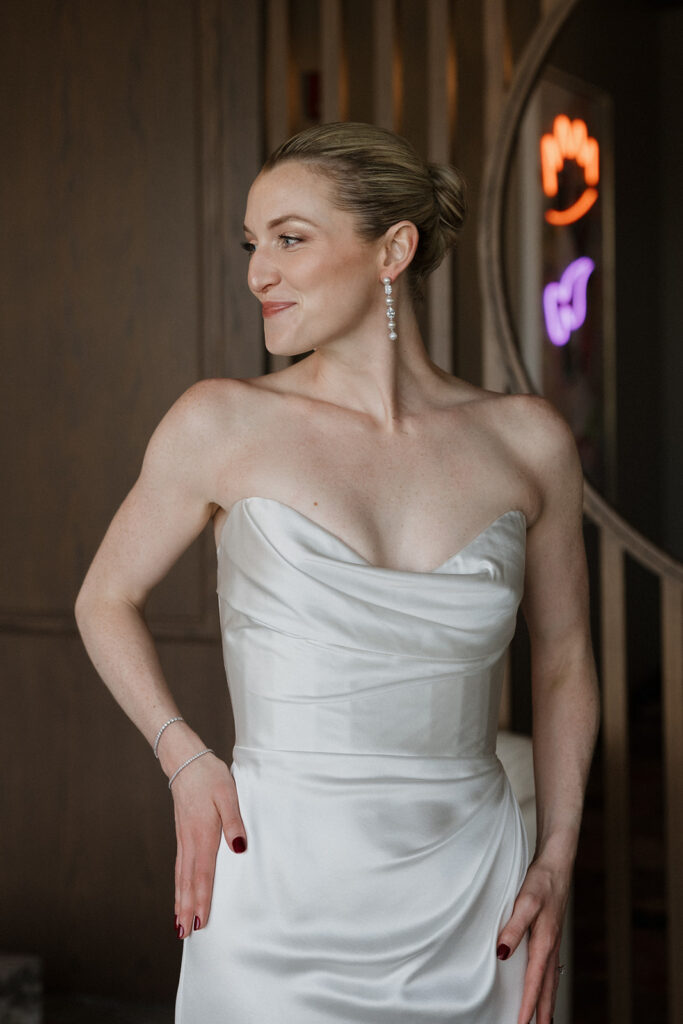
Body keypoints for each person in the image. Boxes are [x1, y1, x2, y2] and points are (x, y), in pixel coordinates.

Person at [74, 121, 600, 1024]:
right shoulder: (218, 423)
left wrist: (554, 854)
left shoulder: (528, 442)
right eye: (251, 244)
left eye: (289, 239)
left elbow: (562, 659)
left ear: (392, 250)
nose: (257, 274)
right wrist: (184, 757)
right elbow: (104, 599)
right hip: (272, 892)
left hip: (474, 898)